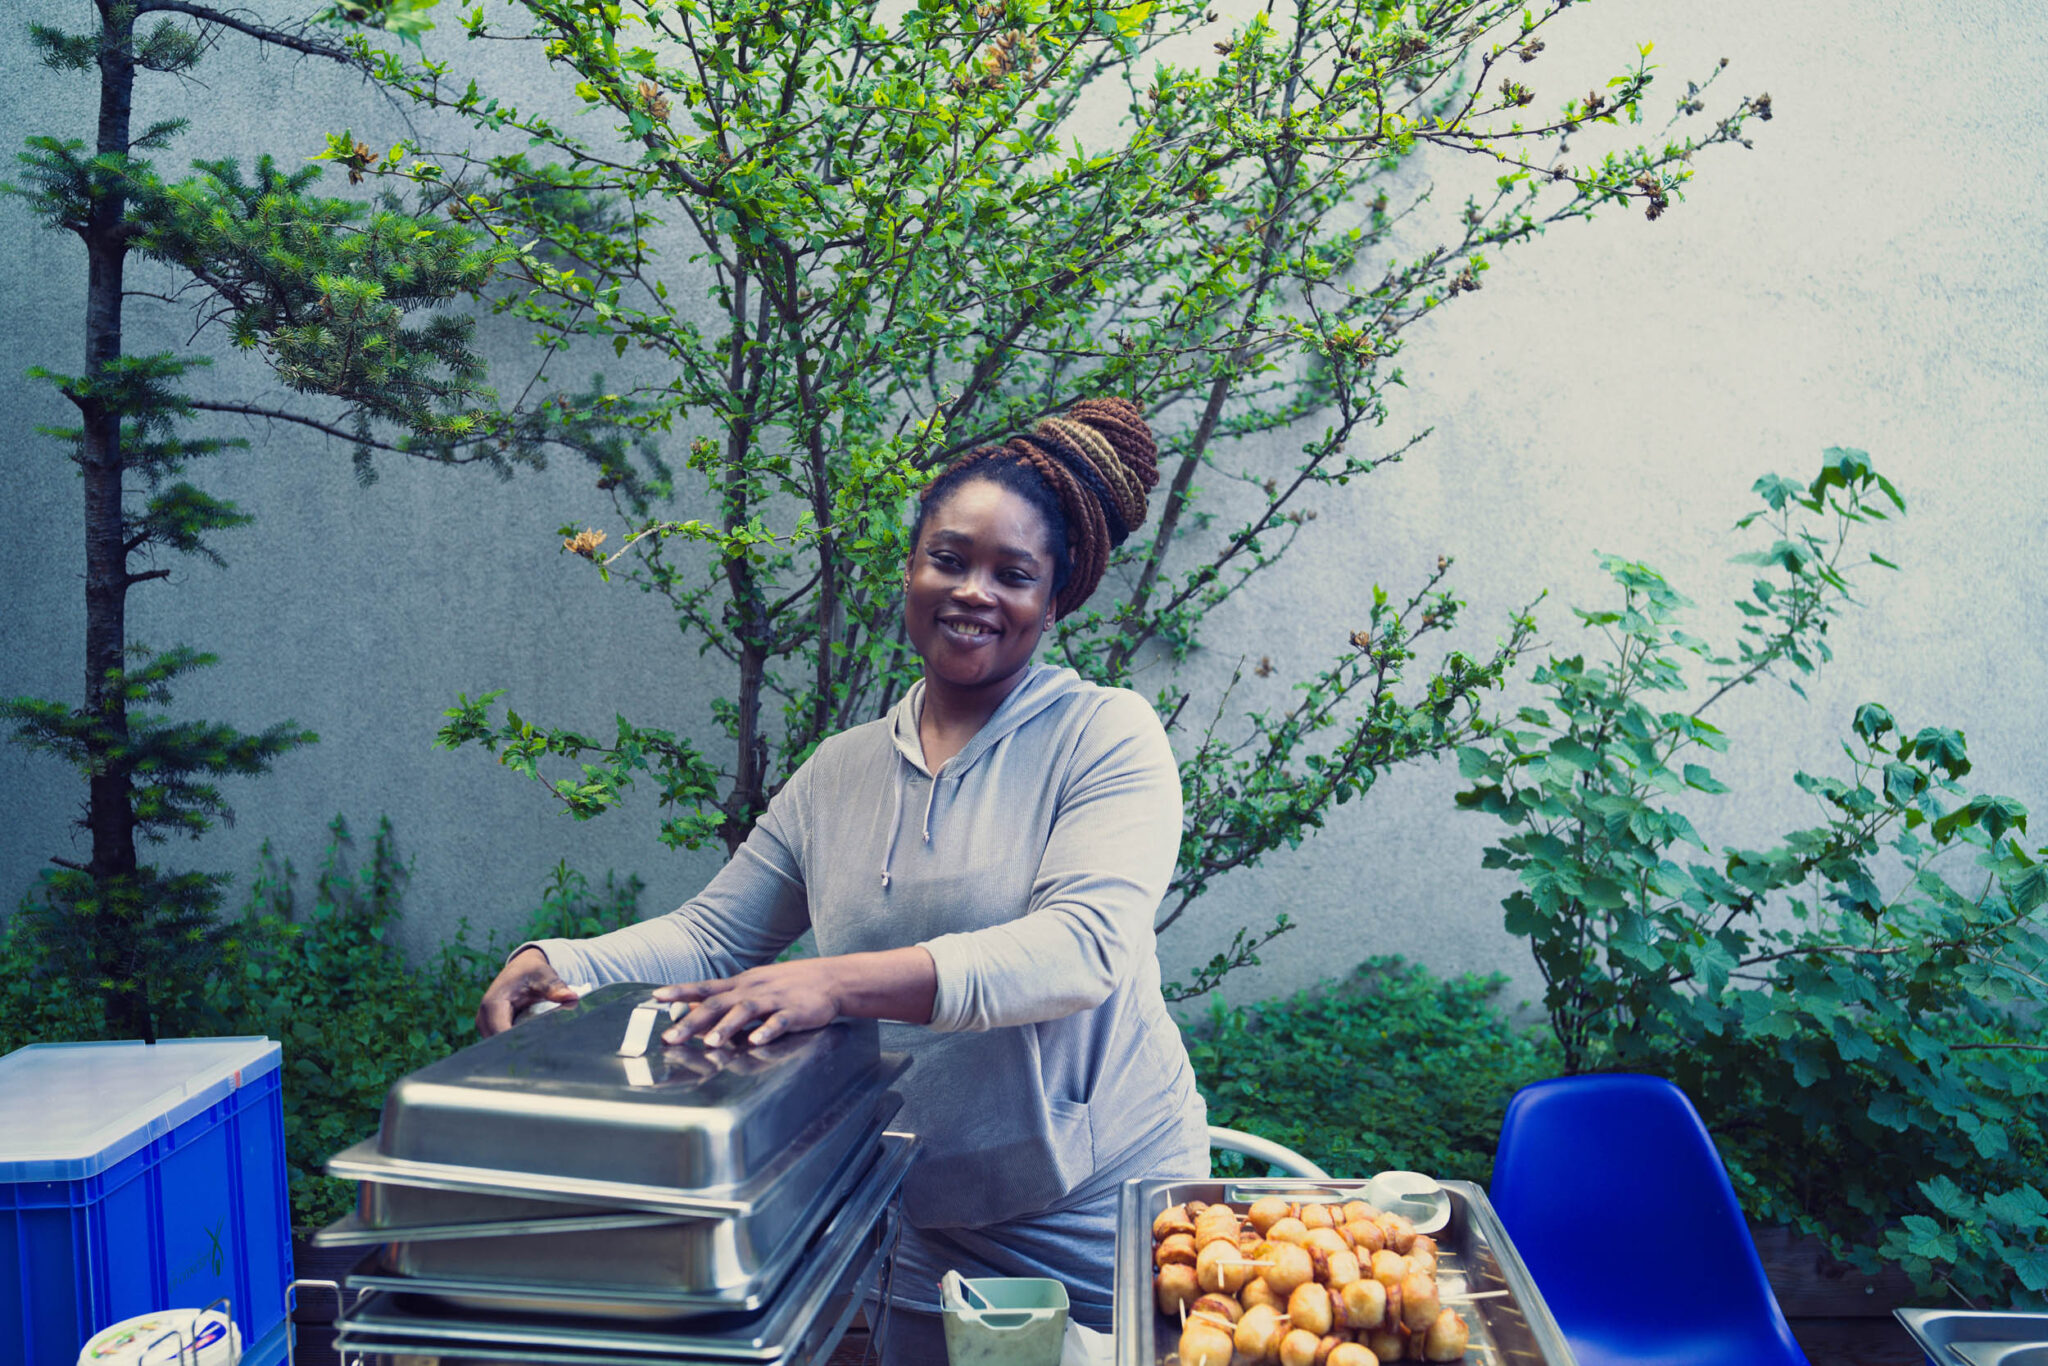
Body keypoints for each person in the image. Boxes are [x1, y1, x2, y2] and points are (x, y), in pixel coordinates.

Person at [475, 396, 1209, 1361]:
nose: (973, 592)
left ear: (1055, 597)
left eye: (1013, 574)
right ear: (910, 567)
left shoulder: (1106, 736)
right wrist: (558, 958)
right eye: (949, 558)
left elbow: (1081, 951)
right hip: (918, 1208)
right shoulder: (842, 771)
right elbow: (714, 937)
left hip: (1099, 1213)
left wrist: (833, 980)